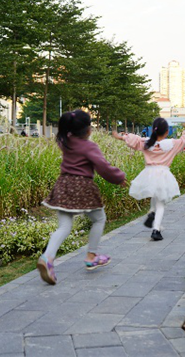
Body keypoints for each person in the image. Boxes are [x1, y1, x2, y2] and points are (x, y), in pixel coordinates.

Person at [38, 110, 126, 285]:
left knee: (64, 226)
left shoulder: (65, 141)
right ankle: (91, 256)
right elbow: (103, 167)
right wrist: (119, 177)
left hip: (63, 185)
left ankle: (47, 257)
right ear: (87, 130)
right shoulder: (89, 146)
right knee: (99, 219)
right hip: (82, 187)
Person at [113, 118, 185, 241]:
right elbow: (184, 139)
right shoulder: (172, 144)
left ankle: (152, 213)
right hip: (163, 174)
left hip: (149, 173)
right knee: (161, 203)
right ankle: (156, 229)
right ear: (167, 132)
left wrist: (121, 137)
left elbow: (134, 139)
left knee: (156, 196)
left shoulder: (146, 143)